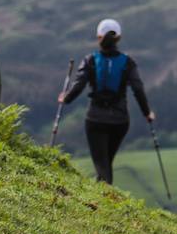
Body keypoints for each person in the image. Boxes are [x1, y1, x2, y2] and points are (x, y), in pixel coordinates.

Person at [59, 18, 154, 185]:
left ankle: (104, 199)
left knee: (102, 164)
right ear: (119, 38)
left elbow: (79, 85)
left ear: (98, 37)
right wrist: (147, 113)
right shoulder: (128, 62)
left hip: (95, 119)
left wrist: (65, 99)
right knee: (106, 161)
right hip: (120, 120)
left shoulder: (90, 60)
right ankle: (105, 198)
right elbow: (138, 89)